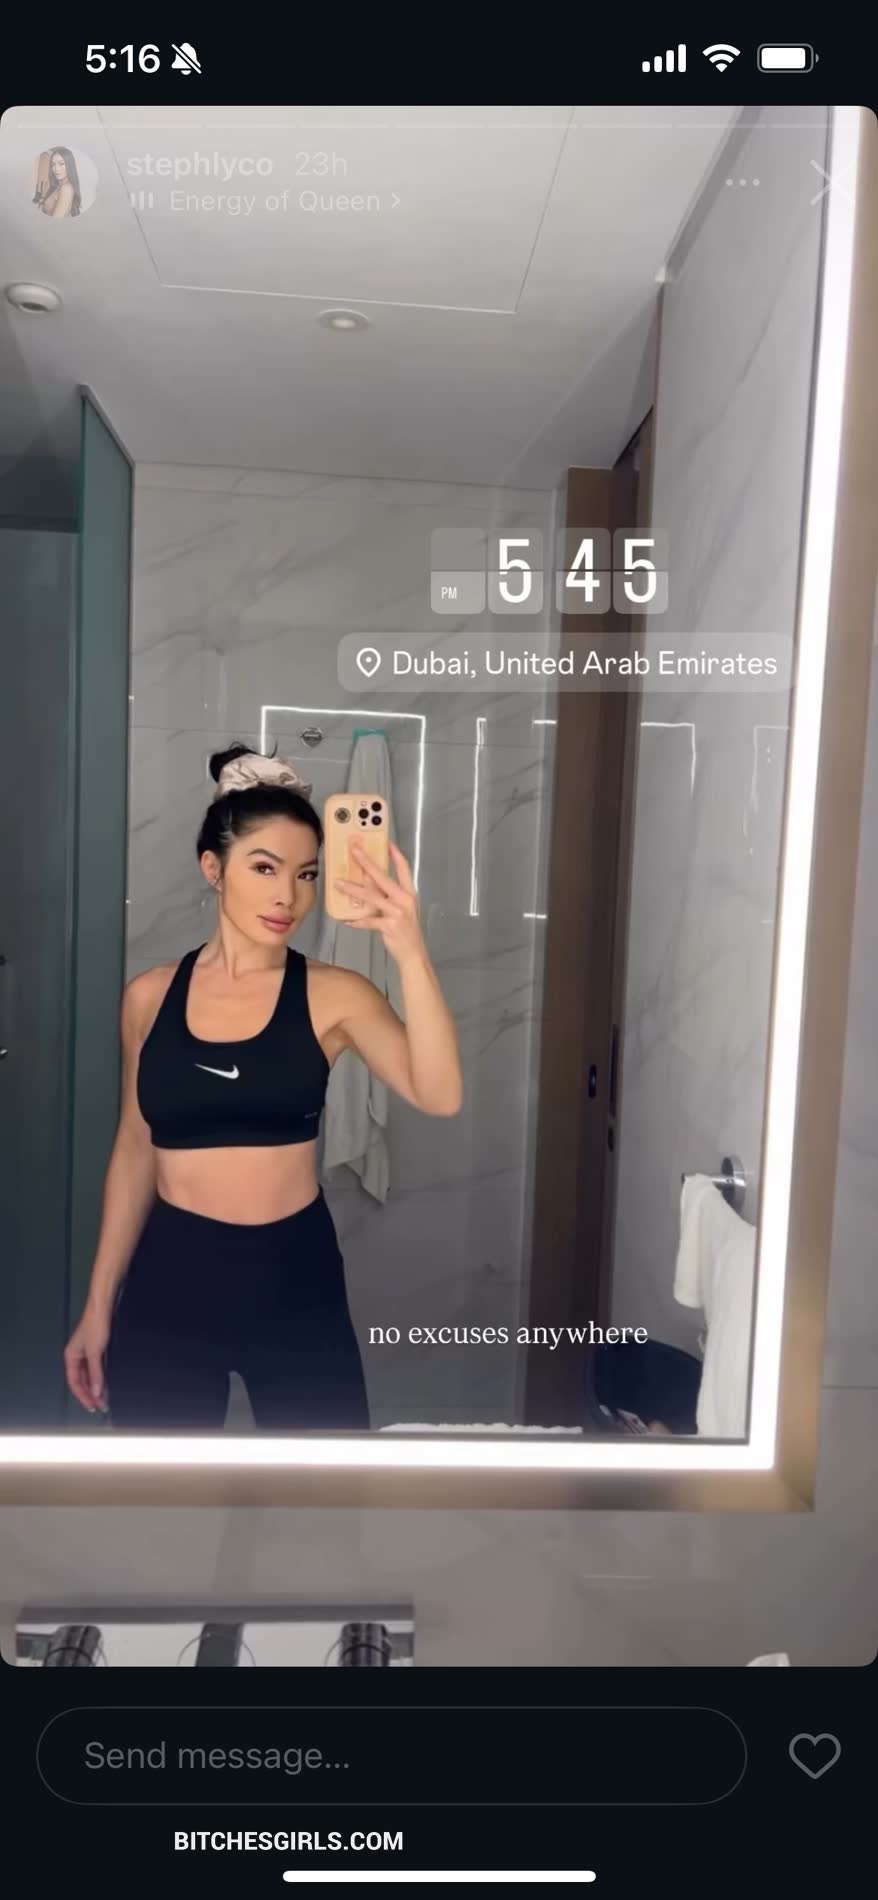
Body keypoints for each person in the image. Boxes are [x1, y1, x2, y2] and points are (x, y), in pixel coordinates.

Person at [64, 743, 462, 1431]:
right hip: (172, 1276)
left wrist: (407, 946)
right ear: (212, 869)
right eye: (264, 867)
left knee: (322, 1487)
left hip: (294, 1274)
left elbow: (439, 1094)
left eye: (306, 874)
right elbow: (133, 1148)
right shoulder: (149, 998)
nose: (288, 897)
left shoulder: (335, 995)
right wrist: (98, 1306)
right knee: (161, 1490)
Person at [36, 147, 82, 218]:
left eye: (61, 164)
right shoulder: (57, 185)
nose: (56, 169)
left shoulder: (66, 188)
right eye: (53, 164)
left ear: (69, 165)